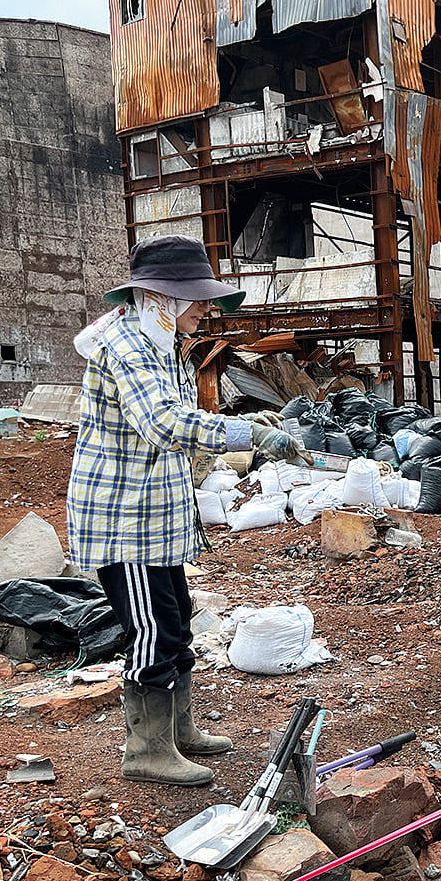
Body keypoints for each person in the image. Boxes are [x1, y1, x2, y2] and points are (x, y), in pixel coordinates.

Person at [67, 235, 307, 787]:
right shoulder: (126, 347)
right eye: (196, 297)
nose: (205, 307)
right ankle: (146, 751)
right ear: (160, 296)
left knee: (174, 619)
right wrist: (248, 433)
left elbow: (175, 419)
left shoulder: (160, 342)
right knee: (153, 630)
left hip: (153, 515)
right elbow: (164, 424)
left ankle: (178, 730)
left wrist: (250, 429)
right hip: (124, 517)